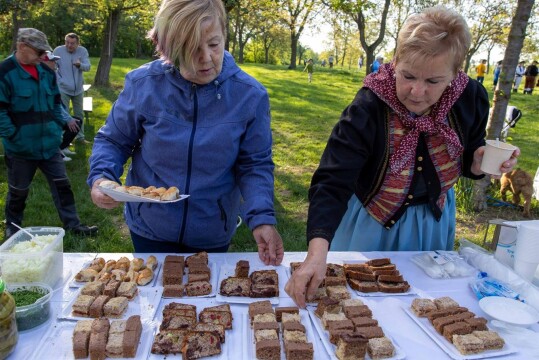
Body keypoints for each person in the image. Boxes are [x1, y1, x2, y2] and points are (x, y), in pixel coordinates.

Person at [285, 6, 520, 307]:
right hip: (372, 222)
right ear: (395, 62)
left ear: (455, 74)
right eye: (407, 75)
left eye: (433, 81)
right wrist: (317, 254)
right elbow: (332, 180)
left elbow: (468, 153)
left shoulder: (470, 97)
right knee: (359, 306)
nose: (417, 92)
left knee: (419, 308)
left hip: (431, 224)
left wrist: (477, 163)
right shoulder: (368, 107)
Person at [87, 0, 284, 263]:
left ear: (224, 35)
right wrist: (101, 177)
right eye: (191, 49)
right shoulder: (143, 84)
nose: (206, 58)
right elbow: (113, 140)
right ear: (168, 48)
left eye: (214, 44)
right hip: (150, 226)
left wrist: (261, 218)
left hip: (212, 229)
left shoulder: (250, 95)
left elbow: (254, 164)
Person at [0, 28, 98, 239]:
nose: (43, 57)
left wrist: (57, 131)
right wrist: (13, 136)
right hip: (21, 148)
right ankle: (13, 229)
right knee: (18, 191)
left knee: (63, 186)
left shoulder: (45, 72)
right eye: (38, 52)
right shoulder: (5, 72)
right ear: (22, 47)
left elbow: (55, 104)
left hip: (49, 145)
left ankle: (73, 225)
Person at [42, 51, 83, 162]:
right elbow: (53, 104)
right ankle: (56, 152)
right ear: (44, 62)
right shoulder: (43, 78)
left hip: (54, 113)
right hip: (46, 117)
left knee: (77, 121)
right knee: (68, 123)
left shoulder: (52, 75)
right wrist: (67, 118)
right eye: (52, 60)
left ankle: (62, 147)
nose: (55, 63)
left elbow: (57, 103)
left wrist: (68, 117)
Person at [53, 33, 91, 144]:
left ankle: (80, 138)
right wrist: (60, 81)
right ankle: (62, 139)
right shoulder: (58, 51)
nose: (69, 45)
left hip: (78, 89)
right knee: (63, 113)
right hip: (63, 89)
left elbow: (88, 66)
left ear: (78, 43)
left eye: (72, 43)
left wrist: (80, 65)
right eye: (67, 42)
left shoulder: (82, 51)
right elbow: (53, 68)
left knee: (79, 114)